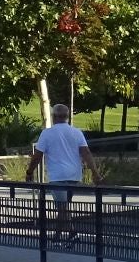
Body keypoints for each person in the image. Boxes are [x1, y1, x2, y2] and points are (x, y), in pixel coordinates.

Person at [27, 102, 100, 243]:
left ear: (54, 117)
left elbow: (37, 155)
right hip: (74, 174)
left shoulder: (47, 133)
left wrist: (29, 171)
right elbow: (86, 153)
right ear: (67, 117)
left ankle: (72, 234)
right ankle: (59, 235)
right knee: (63, 207)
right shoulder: (76, 132)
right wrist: (95, 172)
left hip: (57, 175)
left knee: (62, 207)